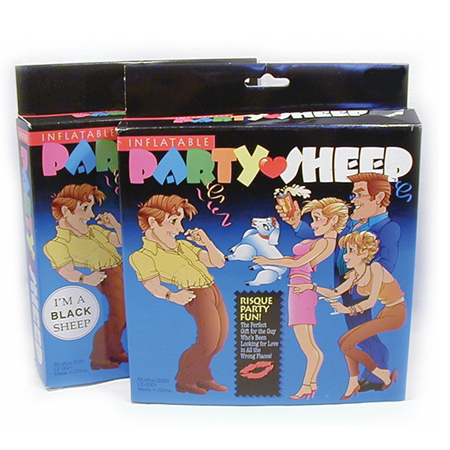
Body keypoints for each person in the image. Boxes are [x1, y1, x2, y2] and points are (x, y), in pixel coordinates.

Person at [276, 173, 400, 392]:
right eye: (353, 194)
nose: (354, 200)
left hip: (362, 290)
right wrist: (296, 223)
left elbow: (386, 264)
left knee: (363, 334)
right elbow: (326, 236)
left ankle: (379, 373)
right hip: (346, 288)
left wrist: (358, 279)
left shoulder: (388, 228)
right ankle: (372, 374)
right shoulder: (352, 223)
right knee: (357, 333)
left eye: (359, 194)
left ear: (379, 197)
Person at [129, 194, 228, 396]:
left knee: (219, 342)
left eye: (180, 221)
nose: (180, 229)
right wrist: (172, 296)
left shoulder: (183, 245)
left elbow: (218, 262)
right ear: (152, 222)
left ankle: (203, 376)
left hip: (213, 290)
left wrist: (207, 242)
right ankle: (185, 380)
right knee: (208, 341)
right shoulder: (143, 256)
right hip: (196, 295)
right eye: (173, 221)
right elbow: (152, 285)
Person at [254, 197, 349, 400]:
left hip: (301, 291)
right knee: (309, 345)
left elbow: (298, 262)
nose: (313, 224)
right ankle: (311, 384)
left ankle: (307, 385)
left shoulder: (325, 242)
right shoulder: (322, 240)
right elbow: (298, 257)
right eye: (312, 219)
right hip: (298, 289)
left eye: (317, 218)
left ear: (333, 220)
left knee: (308, 347)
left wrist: (269, 260)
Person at [293, 231, 405, 400]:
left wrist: (346, 310)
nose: (345, 256)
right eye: (345, 250)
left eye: (351, 250)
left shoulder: (375, 268)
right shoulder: (354, 275)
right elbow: (335, 292)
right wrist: (311, 287)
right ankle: (354, 381)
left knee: (347, 346)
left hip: (396, 313)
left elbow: (370, 302)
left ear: (364, 253)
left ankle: (381, 374)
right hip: (386, 312)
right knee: (343, 342)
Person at [44, 183, 127, 370]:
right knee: (119, 314)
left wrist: (115, 224)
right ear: (66, 211)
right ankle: (99, 356)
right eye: (84, 208)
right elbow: (65, 271)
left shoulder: (94, 230)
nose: (90, 215)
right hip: (106, 276)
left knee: (126, 314)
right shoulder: (58, 244)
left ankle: (114, 350)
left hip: (121, 269)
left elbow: (121, 241)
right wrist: (85, 278)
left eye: (91, 208)